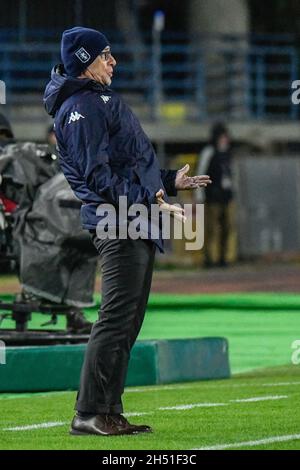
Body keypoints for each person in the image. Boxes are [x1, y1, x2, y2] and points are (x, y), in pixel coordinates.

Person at [44, 26, 211, 436]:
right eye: (104, 55)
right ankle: (88, 413)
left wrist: (170, 182)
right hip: (118, 221)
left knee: (127, 321)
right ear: (84, 62)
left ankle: (107, 410)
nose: (113, 61)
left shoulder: (93, 100)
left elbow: (126, 164)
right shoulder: (82, 106)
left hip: (131, 217)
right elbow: (97, 176)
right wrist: (149, 198)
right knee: (115, 318)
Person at [0, 113, 95, 333]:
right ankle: (73, 314)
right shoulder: (20, 159)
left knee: (79, 240)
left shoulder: (39, 163)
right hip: (21, 229)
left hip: (42, 225)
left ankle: (74, 313)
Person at [196, 122, 234, 268]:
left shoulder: (228, 153)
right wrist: (200, 195)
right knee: (212, 228)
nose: (225, 139)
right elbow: (201, 172)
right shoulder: (209, 152)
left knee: (227, 228)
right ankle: (209, 258)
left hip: (227, 196)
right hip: (212, 196)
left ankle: (223, 258)